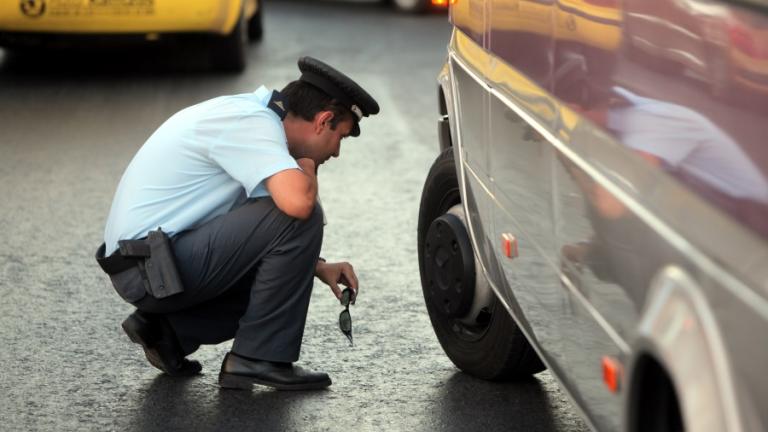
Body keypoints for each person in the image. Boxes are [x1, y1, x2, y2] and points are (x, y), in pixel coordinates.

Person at [95, 57, 379, 391]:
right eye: (341, 138)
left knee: (285, 244)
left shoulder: (253, 117)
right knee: (302, 214)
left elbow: (260, 226)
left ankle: (168, 330)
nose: (337, 153)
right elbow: (298, 206)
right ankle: (258, 358)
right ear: (323, 120)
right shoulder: (252, 123)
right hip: (148, 269)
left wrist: (315, 266)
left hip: (151, 263)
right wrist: (307, 161)